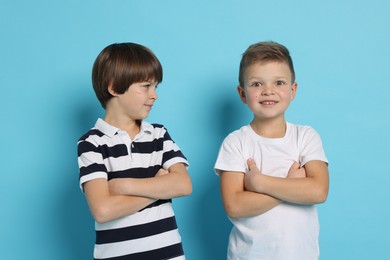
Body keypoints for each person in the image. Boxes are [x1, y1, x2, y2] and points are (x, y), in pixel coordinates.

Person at [214, 41, 329, 260]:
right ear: (242, 93)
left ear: (293, 90)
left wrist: (260, 183)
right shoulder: (236, 142)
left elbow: (318, 191)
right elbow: (235, 206)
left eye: (279, 82)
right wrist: (292, 184)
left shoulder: (305, 136)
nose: (268, 91)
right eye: (257, 84)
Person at [77, 42, 192, 260]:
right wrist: (157, 189)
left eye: (156, 87)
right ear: (114, 87)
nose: (154, 95)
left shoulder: (158, 135)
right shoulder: (91, 143)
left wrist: (123, 186)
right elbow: (103, 210)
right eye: (146, 86)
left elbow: (183, 185)